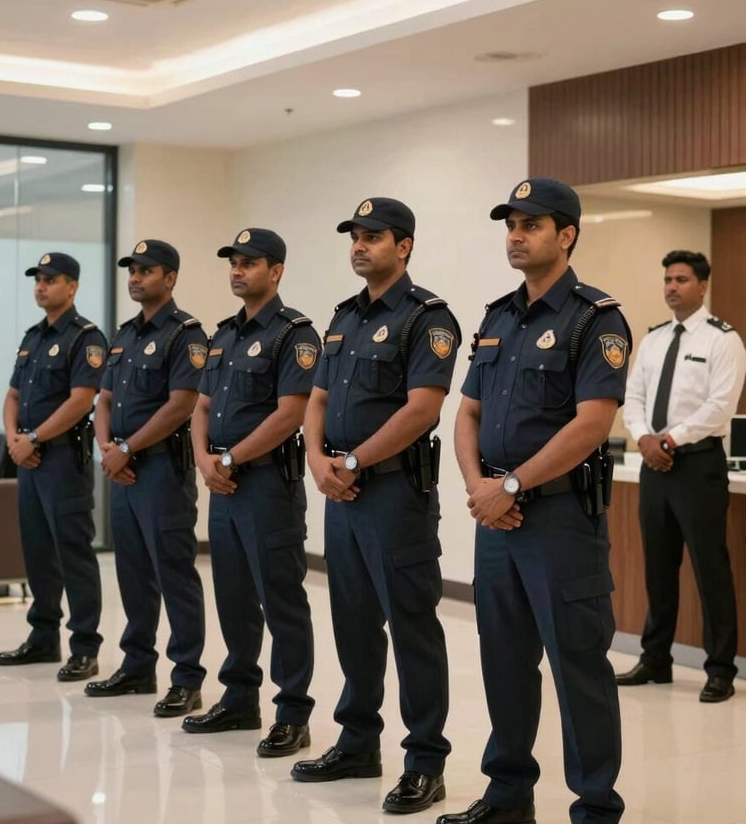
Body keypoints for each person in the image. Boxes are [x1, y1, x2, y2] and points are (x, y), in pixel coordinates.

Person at [446, 178, 630, 824]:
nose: (516, 236)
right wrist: (478, 489)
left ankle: (595, 807)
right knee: (504, 660)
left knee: (577, 664)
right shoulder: (497, 317)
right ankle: (508, 798)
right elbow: (464, 414)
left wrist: (512, 486)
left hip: (558, 521)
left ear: (567, 234)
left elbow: (592, 423)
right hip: (495, 520)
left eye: (531, 225)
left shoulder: (595, 319)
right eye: (511, 225)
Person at [291, 197, 460, 814]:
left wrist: (353, 462)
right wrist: (317, 460)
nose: (360, 246)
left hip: (392, 493)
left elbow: (423, 408)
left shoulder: (427, 317)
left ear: (404, 246)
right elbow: (316, 398)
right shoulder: (342, 318)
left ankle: (425, 761)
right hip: (342, 493)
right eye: (355, 237)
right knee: (353, 623)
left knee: (411, 626)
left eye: (374, 237)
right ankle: (358, 741)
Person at [182, 228, 319, 758]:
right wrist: (203, 460)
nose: (238, 271)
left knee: (280, 598)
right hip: (223, 484)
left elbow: (291, 413)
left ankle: (292, 712)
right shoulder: (223, 334)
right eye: (233, 263)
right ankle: (240, 697)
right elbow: (200, 406)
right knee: (234, 596)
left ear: (276, 270)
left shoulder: (294, 333)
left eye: (250, 263)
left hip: (266, 484)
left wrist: (231, 458)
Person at [617, 250, 746, 703]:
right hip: (655, 465)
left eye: (682, 279)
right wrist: (646, 440)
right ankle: (656, 660)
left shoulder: (722, 340)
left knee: (710, 569)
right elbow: (631, 397)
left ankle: (720, 669)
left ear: (702, 285)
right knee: (658, 566)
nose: (672, 286)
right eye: (668, 279)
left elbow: (721, 406)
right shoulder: (652, 340)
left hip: (697, 466)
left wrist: (670, 440)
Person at [85, 239, 207, 718]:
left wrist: (128, 449)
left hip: (160, 470)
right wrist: (108, 450)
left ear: (170, 278)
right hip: (123, 470)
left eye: (146, 271)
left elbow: (182, 405)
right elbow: (104, 401)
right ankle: (137, 665)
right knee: (132, 569)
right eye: (131, 271)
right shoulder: (123, 335)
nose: (135, 278)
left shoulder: (185, 334)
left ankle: (186, 677)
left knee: (172, 572)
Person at [0, 253, 105, 681]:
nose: (41, 286)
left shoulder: (85, 338)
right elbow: (11, 396)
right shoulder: (32, 338)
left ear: (72, 286)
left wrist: (34, 439)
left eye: (51, 279)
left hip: (61, 459)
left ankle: (84, 646)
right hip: (28, 458)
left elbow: (81, 400)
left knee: (72, 552)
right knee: (36, 549)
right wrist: (14, 441)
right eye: (38, 280)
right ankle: (43, 637)